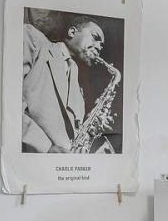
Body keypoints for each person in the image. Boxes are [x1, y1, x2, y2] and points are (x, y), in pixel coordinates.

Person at [20, 15, 106, 153]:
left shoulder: (79, 94)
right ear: (72, 32)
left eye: (102, 46)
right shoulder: (33, 39)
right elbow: (9, 101)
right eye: (95, 38)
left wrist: (89, 134)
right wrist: (45, 146)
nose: (99, 47)